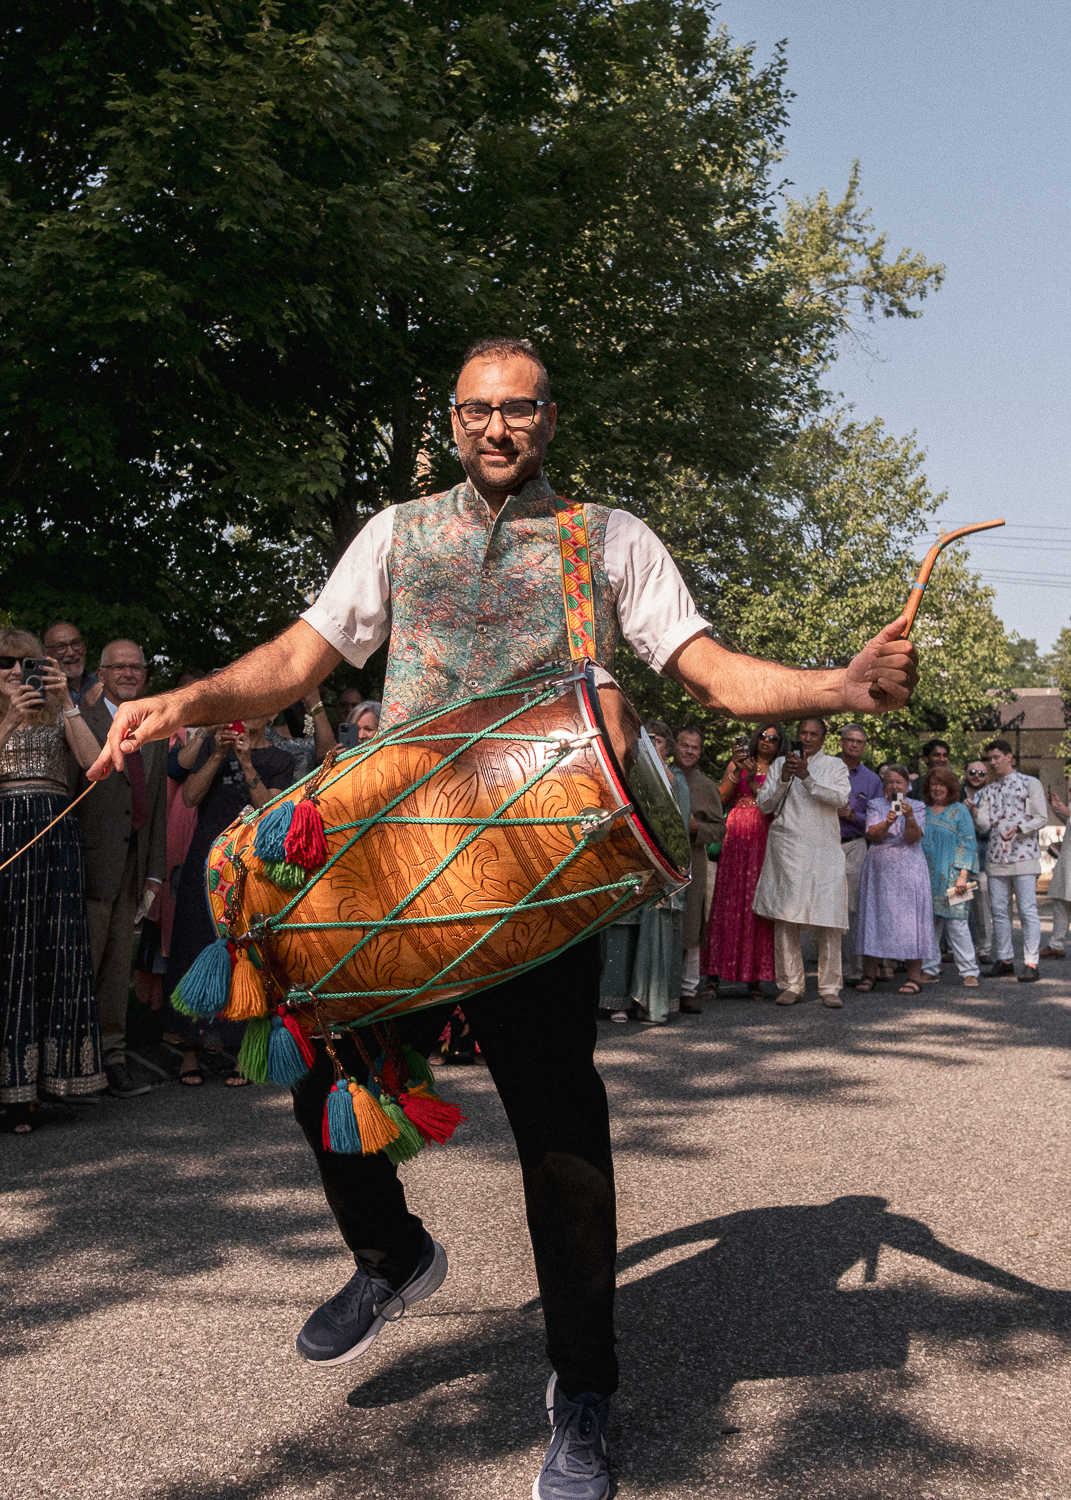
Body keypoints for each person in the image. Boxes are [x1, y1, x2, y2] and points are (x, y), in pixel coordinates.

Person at [89, 335, 918, 1499]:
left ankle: (583, 1393)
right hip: (393, 869)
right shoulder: (396, 530)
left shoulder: (611, 536)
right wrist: (185, 695)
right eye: (475, 410)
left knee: (560, 1130)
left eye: (516, 409)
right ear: (451, 420)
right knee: (316, 1057)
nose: (495, 427)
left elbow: (714, 673)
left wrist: (839, 683)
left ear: (548, 419)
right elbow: (294, 663)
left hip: (539, 877)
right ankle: (394, 1254)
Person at [0, 630, 106, 1131]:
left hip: (54, 840)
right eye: (5, 663)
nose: (17, 671)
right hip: (5, 841)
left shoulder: (60, 710)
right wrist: (11, 718)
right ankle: (9, 1090)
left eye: (27, 662)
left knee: (52, 952)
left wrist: (66, 703)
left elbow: (95, 766)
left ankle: (46, 1084)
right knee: (8, 959)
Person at [163, 716, 295, 1085]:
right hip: (207, 863)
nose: (248, 715)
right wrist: (218, 754)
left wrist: (248, 763)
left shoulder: (281, 758)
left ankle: (243, 1049)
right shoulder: (210, 749)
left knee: (248, 954)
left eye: (257, 708)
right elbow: (190, 797)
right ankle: (190, 1049)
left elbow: (272, 810)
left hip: (251, 867)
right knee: (194, 946)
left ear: (271, 714)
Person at [70, 640, 169, 1099]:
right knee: (82, 965)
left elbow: (157, 808)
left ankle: (113, 1058)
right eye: (119, 666)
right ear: (102, 673)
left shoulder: (154, 728)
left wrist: (154, 872)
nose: (128, 673)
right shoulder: (81, 722)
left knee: (116, 974)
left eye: (136, 667)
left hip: (132, 866)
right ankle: (73, 1062)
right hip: (89, 863)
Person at [753, 717, 851, 1008]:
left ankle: (830, 986)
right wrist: (784, 778)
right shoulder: (780, 763)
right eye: (803, 733)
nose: (807, 738)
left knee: (829, 917)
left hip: (824, 849)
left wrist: (807, 777)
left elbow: (841, 798)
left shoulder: (835, 766)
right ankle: (791, 984)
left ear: (823, 739)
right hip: (788, 847)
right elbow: (764, 805)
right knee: (786, 917)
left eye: (814, 734)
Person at [702, 723, 783, 999]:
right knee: (727, 902)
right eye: (763, 735)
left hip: (764, 837)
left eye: (773, 738)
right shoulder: (737, 764)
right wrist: (735, 772)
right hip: (736, 836)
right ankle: (713, 976)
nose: (766, 741)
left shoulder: (780, 770)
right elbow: (720, 799)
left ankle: (755, 978)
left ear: (779, 743)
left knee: (758, 905)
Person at [621, 721, 691, 1025]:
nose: (652, 745)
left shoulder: (675, 778)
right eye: (647, 739)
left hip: (662, 866)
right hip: (633, 863)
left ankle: (655, 1005)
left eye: (658, 740)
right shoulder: (626, 773)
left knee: (656, 930)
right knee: (623, 930)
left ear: (669, 746)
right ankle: (621, 1001)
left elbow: (680, 828)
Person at [854, 766, 939, 995]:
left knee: (912, 920)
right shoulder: (875, 805)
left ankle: (913, 977)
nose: (894, 786)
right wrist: (888, 822)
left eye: (899, 782)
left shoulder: (918, 806)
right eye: (890, 782)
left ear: (907, 786)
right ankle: (869, 974)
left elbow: (912, 838)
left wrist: (908, 815)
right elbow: (873, 835)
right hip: (880, 866)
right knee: (875, 916)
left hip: (909, 866)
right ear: (884, 786)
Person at [973, 740, 1047, 982]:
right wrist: (974, 812)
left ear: (1009, 757)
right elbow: (983, 824)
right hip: (996, 856)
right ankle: (1005, 960)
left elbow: (1041, 817)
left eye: (996, 757)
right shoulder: (989, 790)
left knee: (1027, 909)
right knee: (999, 911)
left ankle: (1031, 962)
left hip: (1024, 854)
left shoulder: (1030, 783)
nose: (992, 762)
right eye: (989, 759)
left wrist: (1019, 828)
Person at [672, 725, 725, 1014]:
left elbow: (720, 829)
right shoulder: (660, 777)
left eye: (695, 747)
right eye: (684, 745)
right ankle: (662, 987)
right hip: (661, 858)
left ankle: (688, 989)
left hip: (694, 858)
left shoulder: (706, 786)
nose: (689, 751)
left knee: (692, 924)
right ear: (674, 746)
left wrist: (697, 828)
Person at [919, 767, 980, 988]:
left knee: (958, 926)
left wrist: (963, 876)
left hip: (954, 878)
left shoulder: (960, 811)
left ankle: (969, 972)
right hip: (926, 877)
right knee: (929, 926)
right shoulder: (922, 810)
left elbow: (968, 843)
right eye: (933, 784)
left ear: (950, 788)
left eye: (942, 784)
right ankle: (930, 969)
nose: (937, 788)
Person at [836, 725, 883, 986]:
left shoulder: (872, 780)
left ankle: (852, 969)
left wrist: (854, 816)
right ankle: (829, 967)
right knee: (823, 906)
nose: (854, 745)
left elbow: (877, 820)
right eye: (850, 740)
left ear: (864, 746)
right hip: (823, 842)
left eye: (859, 742)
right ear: (841, 743)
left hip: (854, 844)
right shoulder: (825, 768)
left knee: (852, 907)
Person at [962, 759, 993, 962]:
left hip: (981, 858)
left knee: (982, 907)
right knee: (959, 906)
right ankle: (960, 951)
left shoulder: (991, 795)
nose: (977, 776)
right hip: (959, 857)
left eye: (981, 773)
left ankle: (984, 950)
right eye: (973, 772)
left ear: (987, 777)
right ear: (966, 773)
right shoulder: (954, 793)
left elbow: (990, 828)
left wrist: (975, 819)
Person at [43, 620, 102, 708]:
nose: (71, 653)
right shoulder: (43, 691)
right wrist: (86, 709)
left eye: (76, 644)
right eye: (60, 647)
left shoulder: (98, 682)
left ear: (84, 647)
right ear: (47, 654)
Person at [1041, 788, 1071, 960]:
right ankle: (1056, 944)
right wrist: (1058, 809)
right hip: (1067, 857)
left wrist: (1068, 812)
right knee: (1061, 900)